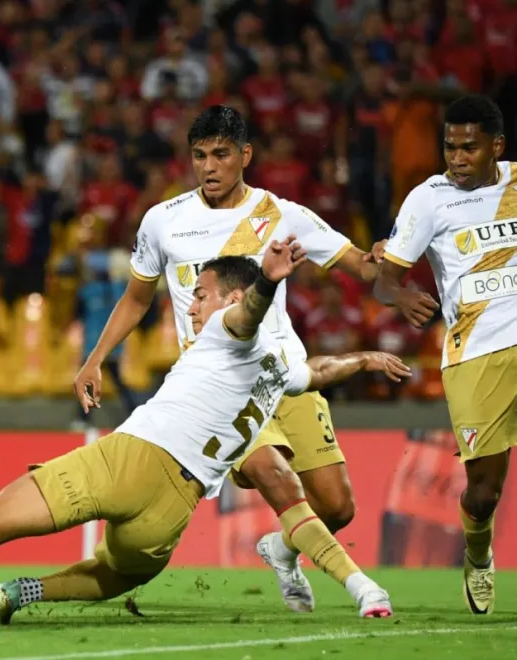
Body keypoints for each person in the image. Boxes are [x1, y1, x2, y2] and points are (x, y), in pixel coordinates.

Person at [0, 241, 404, 622]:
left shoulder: (227, 328)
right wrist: (366, 359)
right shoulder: (277, 364)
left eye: (201, 294)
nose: (191, 305)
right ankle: (26, 592)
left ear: (232, 297)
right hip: (176, 508)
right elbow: (316, 370)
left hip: (130, 461)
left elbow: (248, 313)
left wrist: (266, 281)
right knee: (118, 575)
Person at [72, 105, 386, 613]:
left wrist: (388, 255)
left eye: (220, 154)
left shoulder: (280, 214)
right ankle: (361, 588)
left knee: (336, 506)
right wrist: (95, 360)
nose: (209, 166)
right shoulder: (164, 221)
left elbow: (363, 267)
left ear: (245, 155)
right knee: (271, 471)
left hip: (283, 373)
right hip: (219, 385)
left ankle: (281, 549)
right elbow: (136, 299)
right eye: (199, 156)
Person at [375, 94, 514, 615]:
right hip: (477, 354)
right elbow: (384, 280)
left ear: (496, 147)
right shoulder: (428, 200)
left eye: (468, 148)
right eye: (449, 147)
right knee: (483, 493)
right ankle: (478, 553)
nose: (456, 158)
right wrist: (401, 295)